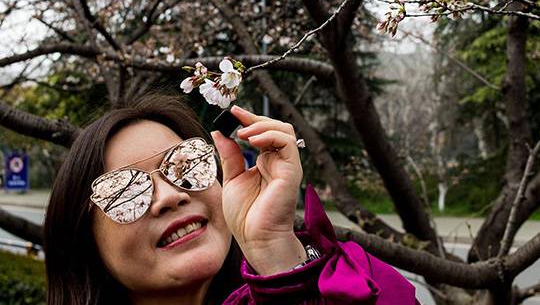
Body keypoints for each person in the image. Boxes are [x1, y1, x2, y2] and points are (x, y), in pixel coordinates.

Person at [44, 94, 418, 304]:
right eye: (125, 191)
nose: (171, 197)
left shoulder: (353, 283)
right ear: (82, 239)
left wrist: (277, 258)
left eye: (187, 164)